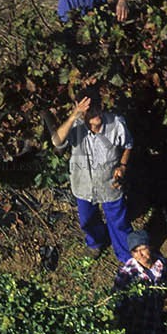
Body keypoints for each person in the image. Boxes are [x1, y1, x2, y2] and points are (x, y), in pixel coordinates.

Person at [53, 89, 133, 263]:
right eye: (89, 112)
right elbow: (56, 141)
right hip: (83, 185)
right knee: (88, 220)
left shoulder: (116, 123)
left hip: (111, 184)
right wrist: (74, 115)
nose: (96, 115)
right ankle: (96, 242)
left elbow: (128, 144)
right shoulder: (74, 127)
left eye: (97, 109)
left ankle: (126, 257)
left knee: (118, 221)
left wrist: (122, 165)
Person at [113, 230, 167, 334]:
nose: (140, 255)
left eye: (143, 249)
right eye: (135, 251)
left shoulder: (162, 264)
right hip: (136, 325)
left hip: (154, 319)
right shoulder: (126, 274)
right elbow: (117, 302)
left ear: (151, 247)